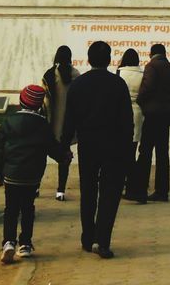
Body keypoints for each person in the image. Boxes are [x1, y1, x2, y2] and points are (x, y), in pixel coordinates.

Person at [61, 40, 133, 258]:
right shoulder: (117, 84)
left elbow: (69, 119)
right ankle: (102, 241)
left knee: (89, 191)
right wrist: (128, 147)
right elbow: (127, 120)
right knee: (110, 194)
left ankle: (87, 237)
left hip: (88, 144)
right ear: (109, 59)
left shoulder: (78, 84)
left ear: (89, 59)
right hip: (113, 145)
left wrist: (64, 145)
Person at [0, 84, 73, 264]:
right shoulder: (42, 124)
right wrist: (64, 156)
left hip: (11, 174)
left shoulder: (9, 121)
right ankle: (26, 244)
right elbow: (51, 147)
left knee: (11, 209)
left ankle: (8, 242)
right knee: (28, 208)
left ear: (21, 101)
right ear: (39, 105)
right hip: (32, 175)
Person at [135, 42, 170, 202]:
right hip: (166, 112)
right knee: (163, 153)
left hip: (153, 114)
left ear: (151, 54)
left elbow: (147, 87)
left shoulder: (152, 67)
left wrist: (141, 101)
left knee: (145, 151)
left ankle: (140, 189)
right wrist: (166, 100)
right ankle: (162, 191)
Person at [43, 45, 75, 201]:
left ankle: (35, 187)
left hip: (51, 124)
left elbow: (45, 102)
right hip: (68, 125)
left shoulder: (49, 75)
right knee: (64, 157)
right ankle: (60, 191)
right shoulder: (76, 74)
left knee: (42, 155)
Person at [116, 49, 146, 200]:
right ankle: (132, 185)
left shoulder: (120, 73)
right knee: (132, 150)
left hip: (123, 114)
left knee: (123, 153)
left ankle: (130, 185)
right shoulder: (142, 74)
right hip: (138, 113)